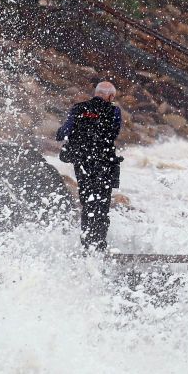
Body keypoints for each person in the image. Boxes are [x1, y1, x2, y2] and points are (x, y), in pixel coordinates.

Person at [56, 81, 123, 253]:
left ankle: (87, 244)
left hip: (83, 163)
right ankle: (99, 244)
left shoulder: (79, 108)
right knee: (102, 205)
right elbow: (114, 133)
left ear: (96, 93)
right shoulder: (114, 111)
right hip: (104, 164)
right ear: (111, 96)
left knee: (88, 203)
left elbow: (63, 133)